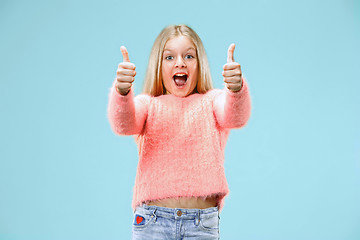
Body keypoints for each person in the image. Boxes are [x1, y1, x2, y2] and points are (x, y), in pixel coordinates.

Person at [107, 24, 251, 239]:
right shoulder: (148, 104)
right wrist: (122, 90)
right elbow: (123, 124)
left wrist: (235, 88)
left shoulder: (212, 101)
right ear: (158, 64)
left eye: (189, 56)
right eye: (169, 57)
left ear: (199, 63)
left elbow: (235, 117)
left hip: (201, 224)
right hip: (152, 222)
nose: (180, 63)